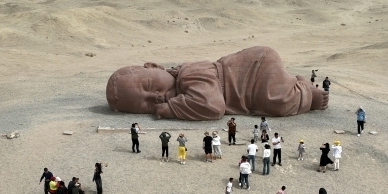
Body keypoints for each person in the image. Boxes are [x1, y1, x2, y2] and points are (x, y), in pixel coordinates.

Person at [106, 46, 329, 120]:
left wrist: (172, 108)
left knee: (278, 101)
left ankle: (309, 94)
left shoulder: (188, 75)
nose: (154, 97)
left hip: (255, 73)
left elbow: (213, 106)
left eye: (148, 87)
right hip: (248, 86)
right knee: (275, 99)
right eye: (145, 104)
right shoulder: (184, 86)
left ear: (154, 66)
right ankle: (296, 83)